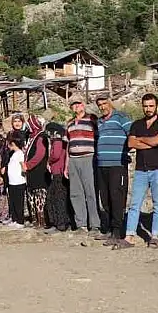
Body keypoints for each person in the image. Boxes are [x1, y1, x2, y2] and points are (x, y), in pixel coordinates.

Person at [125, 94, 158, 248]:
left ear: (156, 106)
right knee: (134, 203)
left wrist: (141, 139)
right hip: (141, 170)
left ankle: (155, 235)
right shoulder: (136, 124)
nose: (148, 109)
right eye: (145, 106)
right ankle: (129, 234)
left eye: (151, 106)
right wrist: (150, 140)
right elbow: (131, 143)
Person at [95, 96, 132, 246]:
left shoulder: (121, 118)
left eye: (105, 103)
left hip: (117, 164)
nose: (103, 107)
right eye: (100, 105)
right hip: (102, 164)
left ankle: (117, 231)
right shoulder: (99, 122)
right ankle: (110, 229)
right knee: (105, 199)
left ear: (110, 103)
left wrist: (129, 150)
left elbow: (132, 134)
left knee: (117, 197)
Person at [65, 99, 100, 234]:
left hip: (88, 158)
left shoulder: (92, 120)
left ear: (83, 105)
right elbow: (68, 144)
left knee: (91, 191)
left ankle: (95, 224)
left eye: (78, 104)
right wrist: (66, 165)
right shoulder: (69, 123)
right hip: (73, 159)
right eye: (73, 105)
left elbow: (98, 139)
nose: (76, 107)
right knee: (75, 193)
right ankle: (81, 224)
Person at [43, 120, 72, 234]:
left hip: (58, 172)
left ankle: (60, 223)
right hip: (59, 171)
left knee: (57, 198)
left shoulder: (57, 141)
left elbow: (56, 154)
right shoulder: (62, 141)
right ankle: (61, 222)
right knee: (59, 197)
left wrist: (48, 161)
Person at [21, 114, 49, 229]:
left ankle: (41, 221)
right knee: (32, 196)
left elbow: (40, 154)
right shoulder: (32, 137)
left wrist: (28, 165)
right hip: (31, 173)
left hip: (39, 171)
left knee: (39, 196)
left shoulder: (41, 137)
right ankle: (35, 220)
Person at [4, 135, 26, 228]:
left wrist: (24, 171)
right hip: (12, 182)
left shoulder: (20, 153)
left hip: (19, 182)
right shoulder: (13, 153)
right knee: (12, 201)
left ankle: (20, 221)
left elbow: (23, 166)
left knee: (18, 202)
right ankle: (14, 219)